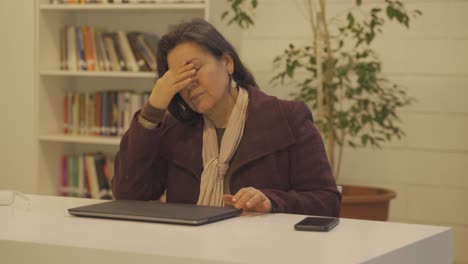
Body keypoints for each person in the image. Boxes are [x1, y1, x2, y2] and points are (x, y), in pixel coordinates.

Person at [112, 19, 341, 216]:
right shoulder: (174, 129)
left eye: (195, 68)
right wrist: (152, 111)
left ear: (228, 63)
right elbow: (127, 195)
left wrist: (272, 201)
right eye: (178, 77)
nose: (190, 83)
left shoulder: (287, 118)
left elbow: (326, 201)